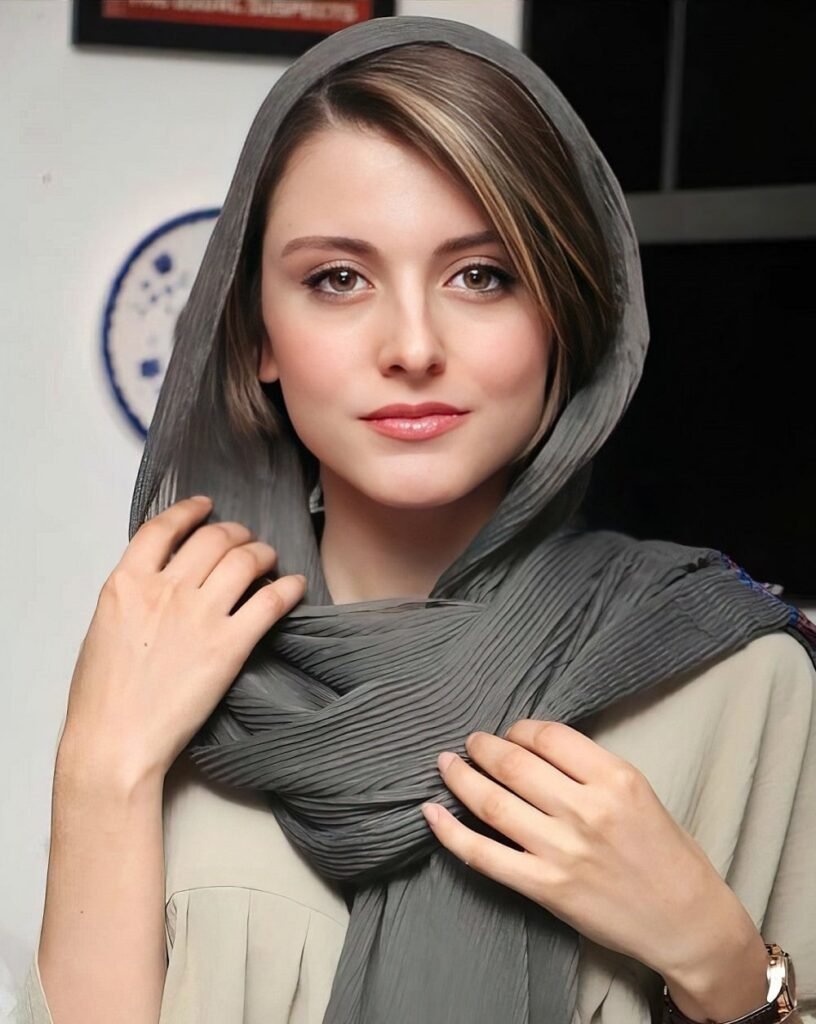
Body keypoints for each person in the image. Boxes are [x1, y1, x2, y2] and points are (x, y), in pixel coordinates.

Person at [14, 15, 814, 1024]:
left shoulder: (737, 680)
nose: (413, 345)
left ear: (562, 318)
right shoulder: (171, 670)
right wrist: (101, 767)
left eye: (482, 275)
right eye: (337, 279)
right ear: (257, 332)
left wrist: (720, 957)